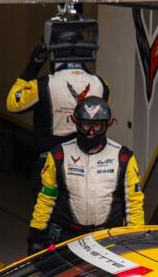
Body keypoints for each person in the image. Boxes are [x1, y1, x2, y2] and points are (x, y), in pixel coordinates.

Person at [27, 96, 144, 253]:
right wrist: (36, 235)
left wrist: (135, 240)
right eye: (87, 124)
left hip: (108, 237)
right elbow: (46, 199)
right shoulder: (58, 155)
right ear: (76, 122)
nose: (91, 131)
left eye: (97, 125)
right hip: (69, 237)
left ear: (107, 125)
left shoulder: (123, 158)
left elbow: (134, 204)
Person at [6, 35, 110, 192]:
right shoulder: (101, 85)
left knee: (45, 214)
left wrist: (33, 66)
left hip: (50, 165)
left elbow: (13, 103)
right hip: (87, 164)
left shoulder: (43, 85)